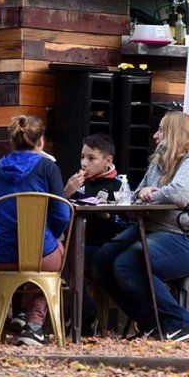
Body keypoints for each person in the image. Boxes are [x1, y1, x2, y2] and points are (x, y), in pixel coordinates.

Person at [92, 112, 189, 343]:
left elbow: (180, 193)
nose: (156, 136)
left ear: (176, 133)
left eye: (161, 130)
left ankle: (180, 323)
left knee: (132, 261)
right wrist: (146, 194)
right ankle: (152, 323)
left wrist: (152, 195)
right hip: (158, 229)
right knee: (101, 261)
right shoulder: (161, 160)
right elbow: (137, 194)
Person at [0, 115, 71, 347]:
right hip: (40, 254)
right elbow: (62, 213)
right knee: (58, 255)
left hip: (3, 253)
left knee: (23, 258)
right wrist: (53, 235)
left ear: (12, 142)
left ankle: (18, 315)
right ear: (41, 141)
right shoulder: (48, 167)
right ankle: (34, 324)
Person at [63, 133, 126, 336]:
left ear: (108, 161)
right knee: (63, 256)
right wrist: (66, 193)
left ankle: (85, 314)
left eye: (91, 158)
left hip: (106, 245)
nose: (84, 163)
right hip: (77, 242)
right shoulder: (77, 183)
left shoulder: (119, 186)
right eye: (82, 157)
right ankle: (83, 313)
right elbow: (58, 212)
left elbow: (127, 223)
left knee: (71, 258)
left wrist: (108, 214)